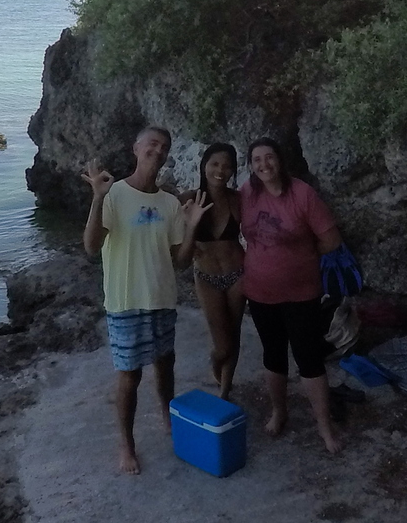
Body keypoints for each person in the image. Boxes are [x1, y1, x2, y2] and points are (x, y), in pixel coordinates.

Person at [82, 126, 206, 474]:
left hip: (162, 298)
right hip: (125, 302)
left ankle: (167, 415)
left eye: (164, 147)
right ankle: (127, 444)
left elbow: (181, 261)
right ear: (136, 148)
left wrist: (192, 226)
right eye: (152, 143)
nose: (158, 150)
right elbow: (91, 247)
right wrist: (97, 198)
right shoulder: (114, 193)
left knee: (165, 364)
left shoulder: (169, 203)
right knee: (130, 376)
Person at [239, 137, 349, 454]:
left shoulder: (302, 194)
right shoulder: (246, 193)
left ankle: (324, 427)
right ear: (251, 166)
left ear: (280, 160)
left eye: (269, 157)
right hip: (259, 292)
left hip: (301, 293)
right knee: (273, 355)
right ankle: (279, 411)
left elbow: (331, 240)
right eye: (257, 159)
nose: (264, 164)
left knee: (308, 358)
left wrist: (304, 256)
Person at [186, 142, 246, 396]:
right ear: (204, 166)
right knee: (222, 346)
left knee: (234, 333)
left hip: (237, 273)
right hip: (206, 276)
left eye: (227, 166)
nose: (220, 170)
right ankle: (216, 362)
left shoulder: (238, 199)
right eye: (215, 164)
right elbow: (167, 232)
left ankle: (225, 390)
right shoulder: (189, 199)